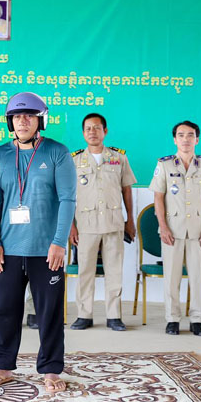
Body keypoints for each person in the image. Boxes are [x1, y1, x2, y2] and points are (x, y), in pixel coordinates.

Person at [0, 92, 76, 394]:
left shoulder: (57, 153)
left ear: (40, 120)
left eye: (30, 116)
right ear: (10, 121)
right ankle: (2, 366)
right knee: (5, 310)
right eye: (17, 117)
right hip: (8, 249)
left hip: (46, 250)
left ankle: (51, 369)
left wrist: (59, 242)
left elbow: (67, 199)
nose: (23, 121)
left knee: (49, 314)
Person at [149, 121, 201, 336]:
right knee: (172, 277)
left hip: (198, 230)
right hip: (172, 229)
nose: (186, 139)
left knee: (198, 277)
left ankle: (197, 320)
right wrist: (163, 227)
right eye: (181, 135)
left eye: (190, 135)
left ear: (197, 139)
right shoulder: (164, 165)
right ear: (174, 140)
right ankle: (172, 319)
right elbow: (158, 198)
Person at [69, 113, 136, 331]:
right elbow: (67, 195)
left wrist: (130, 220)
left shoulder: (119, 158)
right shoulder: (74, 160)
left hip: (114, 223)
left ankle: (114, 316)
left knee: (114, 271)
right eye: (88, 128)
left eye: (97, 128)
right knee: (85, 272)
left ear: (105, 131)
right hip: (86, 225)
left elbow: (127, 190)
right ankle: (84, 315)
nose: (92, 132)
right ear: (83, 133)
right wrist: (71, 226)